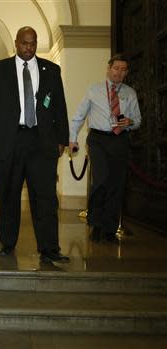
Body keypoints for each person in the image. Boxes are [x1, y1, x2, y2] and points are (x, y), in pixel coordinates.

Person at [0, 26, 70, 264]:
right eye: (24, 43)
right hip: (8, 143)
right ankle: (7, 244)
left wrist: (62, 138)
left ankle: (50, 248)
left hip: (41, 142)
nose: (28, 48)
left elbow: (59, 106)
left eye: (32, 43)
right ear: (16, 42)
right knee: (8, 196)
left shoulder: (51, 70)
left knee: (45, 198)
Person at [69, 54, 141, 242]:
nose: (119, 72)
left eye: (123, 69)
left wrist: (130, 122)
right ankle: (96, 224)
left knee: (116, 185)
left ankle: (110, 229)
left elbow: (138, 120)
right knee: (100, 181)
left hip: (120, 139)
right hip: (98, 140)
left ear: (126, 73)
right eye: (116, 68)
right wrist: (72, 138)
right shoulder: (94, 89)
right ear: (108, 69)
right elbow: (79, 115)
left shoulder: (130, 93)